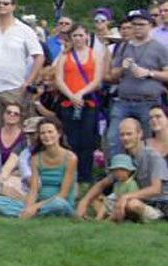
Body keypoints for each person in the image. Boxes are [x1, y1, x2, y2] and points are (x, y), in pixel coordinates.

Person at [75, 119, 168, 222]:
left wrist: (126, 197)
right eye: (122, 135)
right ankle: (109, 216)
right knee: (98, 197)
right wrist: (84, 201)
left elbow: (156, 189)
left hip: (158, 203)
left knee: (132, 204)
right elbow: (103, 183)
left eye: (129, 134)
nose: (125, 138)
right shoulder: (125, 157)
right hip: (136, 199)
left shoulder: (153, 157)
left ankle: (150, 216)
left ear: (140, 134)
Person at [0, 0, 45, 130]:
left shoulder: (24, 30)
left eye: (5, 3)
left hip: (15, 88)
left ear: (13, 6)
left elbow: (39, 56)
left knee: (18, 129)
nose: (1, 6)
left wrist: (28, 81)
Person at [106, 9, 168, 157]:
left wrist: (149, 73)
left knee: (147, 141)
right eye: (134, 25)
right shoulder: (123, 46)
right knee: (113, 139)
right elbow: (113, 75)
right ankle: (117, 175)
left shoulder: (159, 48)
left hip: (148, 102)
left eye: (141, 24)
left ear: (150, 26)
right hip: (123, 101)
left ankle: (144, 175)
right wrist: (122, 69)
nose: (137, 28)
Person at [0, 118, 78, 218]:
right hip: (39, 200)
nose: (47, 136)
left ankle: (28, 213)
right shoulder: (36, 158)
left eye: (50, 132)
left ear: (59, 134)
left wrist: (35, 207)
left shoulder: (71, 158)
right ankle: (32, 214)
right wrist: (29, 207)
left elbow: (63, 194)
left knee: (58, 204)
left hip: (59, 202)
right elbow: (33, 190)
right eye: (43, 133)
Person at [54, 25, 106, 184]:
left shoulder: (95, 55)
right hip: (69, 102)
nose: (78, 38)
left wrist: (81, 93)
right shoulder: (65, 56)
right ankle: (72, 173)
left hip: (88, 101)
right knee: (72, 139)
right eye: (74, 35)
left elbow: (97, 79)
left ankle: (86, 174)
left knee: (87, 140)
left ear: (86, 37)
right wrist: (71, 95)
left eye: (80, 35)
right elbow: (59, 78)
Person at [80, 154, 140, 220]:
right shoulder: (117, 184)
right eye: (116, 171)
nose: (119, 173)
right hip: (116, 202)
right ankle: (98, 218)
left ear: (129, 171)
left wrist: (119, 201)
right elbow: (114, 195)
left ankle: (108, 220)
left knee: (116, 207)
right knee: (105, 204)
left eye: (122, 171)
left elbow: (131, 197)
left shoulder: (131, 184)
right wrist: (107, 199)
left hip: (125, 205)